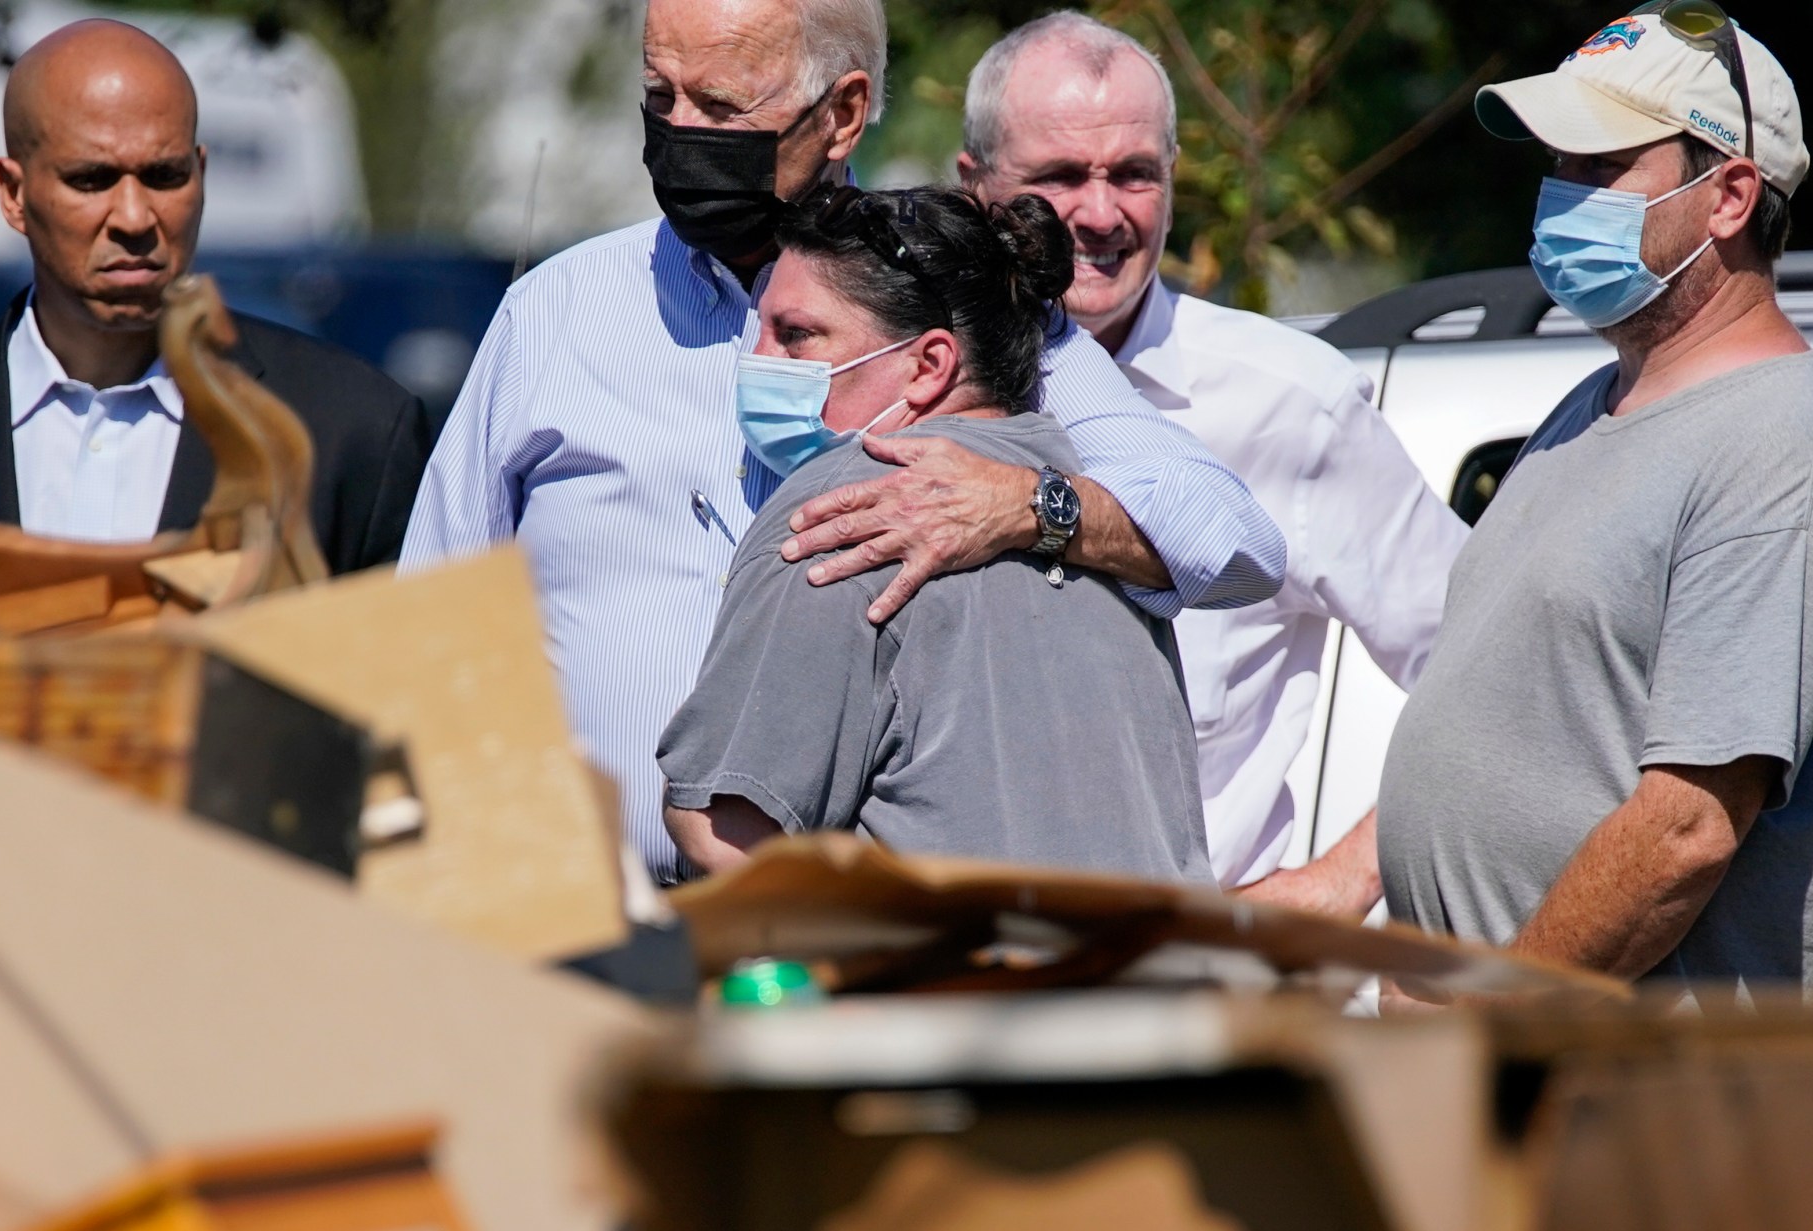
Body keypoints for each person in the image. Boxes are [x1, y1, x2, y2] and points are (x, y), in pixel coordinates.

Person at [402, 0, 1283, 883]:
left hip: (858, 956)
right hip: (588, 935)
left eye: (720, 106)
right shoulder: (555, 312)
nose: (679, 131)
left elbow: (1233, 541)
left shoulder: (970, 307)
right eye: (659, 95)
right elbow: (430, 628)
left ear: (843, 113)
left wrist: (1023, 505)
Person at [1377, 7, 1813, 1003]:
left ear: (1729, 196)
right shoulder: (1592, 402)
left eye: (1597, 167)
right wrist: (1342, 880)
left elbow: (1687, 826)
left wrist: (1483, 1020)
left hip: (1643, 1114)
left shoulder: (1779, 444)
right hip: (1519, 1087)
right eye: (1555, 166)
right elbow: (1514, 724)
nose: (1558, 197)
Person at [957, 12, 1466, 917]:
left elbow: (1498, 673)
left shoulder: (1290, 404)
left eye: (1135, 175)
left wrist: (1336, 884)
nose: (1101, 213)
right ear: (975, 186)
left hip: (1207, 988)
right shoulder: (903, 384)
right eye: (1061, 177)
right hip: (952, 981)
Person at [660, 186, 1210, 882]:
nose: (759, 360)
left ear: (930, 367)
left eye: (796, 335)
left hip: (956, 985)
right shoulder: (1096, 510)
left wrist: (675, 804)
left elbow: (733, 833)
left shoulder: (848, 505)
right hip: (1174, 977)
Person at [0, 19, 427, 572]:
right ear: (12, 193)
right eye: (92, 179)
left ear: (201, 176)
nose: (134, 216)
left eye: (164, 175)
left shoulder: (349, 429)